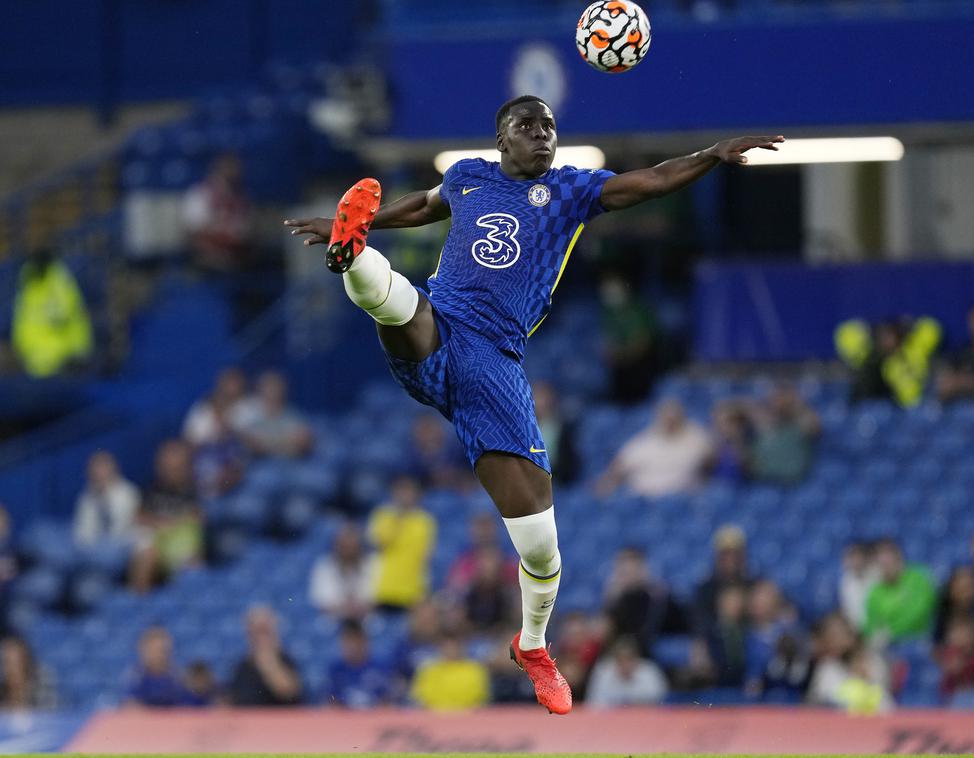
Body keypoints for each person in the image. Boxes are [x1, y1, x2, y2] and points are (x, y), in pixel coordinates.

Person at [285, 92, 782, 714]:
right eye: (528, 125)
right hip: (443, 323)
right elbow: (423, 205)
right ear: (502, 138)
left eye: (549, 125)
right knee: (397, 302)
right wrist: (366, 221)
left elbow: (649, 181)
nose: (543, 134)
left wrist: (710, 155)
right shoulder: (468, 176)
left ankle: (534, 645)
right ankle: (351, 249)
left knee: (541, 545)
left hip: (495, 363)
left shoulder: (571, 190)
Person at [596, 397, 712, 498]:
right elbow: (618, 468)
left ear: (682, 417)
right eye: (665, 416)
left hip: (683, 502)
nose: (669, 421)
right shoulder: (644, 441)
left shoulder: (697, 438)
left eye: (673, 417)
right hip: (642, 502)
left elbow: (709, 463)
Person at [129, 439, 203, 594]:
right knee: (145, 552)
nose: (169, 471)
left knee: (191, 561)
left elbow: (198, 519)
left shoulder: (194, 490)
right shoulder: (152, 489)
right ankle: (138, 605)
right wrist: (159, 524)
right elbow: (138, 516)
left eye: (175, 468)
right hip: (158, 540)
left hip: (183, 542)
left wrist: (172, 525)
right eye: (165, 467)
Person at [10, 246, 93, 378]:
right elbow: (22, 319)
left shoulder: (59, 281)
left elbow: (62, 315)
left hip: (64, 361)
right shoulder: (28, 283)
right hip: (34, 362)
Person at [834, 316, 942, 408]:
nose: (887, 341)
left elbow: (932, 328)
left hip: (916, 400)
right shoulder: (874, 361)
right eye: (883, 337)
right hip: (887, 403)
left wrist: (909, 327)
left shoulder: (913, 350)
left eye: (890, 336)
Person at [367, 476, 436, 612]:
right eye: (401, 492)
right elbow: (380, 543)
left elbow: (427, 555)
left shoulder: (425, 521)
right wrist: (398, 519)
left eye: (409, 492)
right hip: (384, 588)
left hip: (414, 590)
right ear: (394, 493)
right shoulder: (383, 516)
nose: (405, 496)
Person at [181, 153, 252, 273]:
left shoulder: (241, 198)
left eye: (235, 169)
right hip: (205, 253)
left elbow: (244, 232)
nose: (232, 173)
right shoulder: (200, 193)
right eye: (227, 169)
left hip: (236, 254)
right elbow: (193, 230)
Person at [599, 273, 661, 404]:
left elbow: (643, 344)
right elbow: (608, 345)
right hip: (619, 370)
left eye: (614, 287)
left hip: (643, 367)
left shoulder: (637, 310)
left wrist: (622, 354)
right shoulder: (609, 314)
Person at [228, 606, 304, 706]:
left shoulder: (286, 660)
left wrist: (269, 664)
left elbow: (289, 692)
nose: (261, 637)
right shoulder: (241, 667)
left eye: (265, 631)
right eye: (256, 631)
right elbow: (232, 700)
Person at [863, 539, 937, 642]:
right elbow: (871, 626)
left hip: (921, 641)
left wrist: (891, 631)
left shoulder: (918, 577)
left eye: (889, 560)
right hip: (889, 648)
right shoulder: (875, 593)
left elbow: (920, 612)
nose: (886, 566)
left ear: (899, 557)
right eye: (881, 563)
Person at [748, 383, 821, 486]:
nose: (778, 404)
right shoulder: (763, 426)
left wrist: (794, 403)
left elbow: (814, 425)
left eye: (783, 401)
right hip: (763, 482)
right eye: (774, 400)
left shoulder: (799, 427)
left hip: (795, 482)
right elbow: (726, 412)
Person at [693, 525, 757, 635]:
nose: (731, 559)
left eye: (735, 554)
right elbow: (699, 625)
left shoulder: (754, 586)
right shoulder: (705, 590)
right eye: (726, 554)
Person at [309, 523, 378, 620]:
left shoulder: (373, 563)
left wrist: (360, 607)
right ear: (337, 545)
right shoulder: (325, 566)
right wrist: (345, 608)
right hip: (334, 620)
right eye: (344, 545)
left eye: (352, 545)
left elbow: (377, 597)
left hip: (367, 619)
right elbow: (321, 601)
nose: (348, 549)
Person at [73, 450, 141, 548]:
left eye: (102, 468)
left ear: (113, 470)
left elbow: (121, 529)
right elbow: (82, 530)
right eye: (94, 469)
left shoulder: (128, 493)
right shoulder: (87, 495)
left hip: (123, 544)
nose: (98, 473)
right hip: (94, 548)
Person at [240, 372, 313, 458]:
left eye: (277, 387)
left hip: (293, 462)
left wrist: (268, 443)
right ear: (260, 389)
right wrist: (285, 442)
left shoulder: (293, 414)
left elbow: (304, 443)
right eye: (269, 387)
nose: (273, 391)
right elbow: (252, 444)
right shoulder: (246, 411)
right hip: (261, 463)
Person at [409, 633, 489, 711]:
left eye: (454, 647)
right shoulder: (428, 670)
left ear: (461, 648)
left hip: (468, 716)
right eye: (447, 647)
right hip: (434, 716)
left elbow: (481, 700)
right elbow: (419, 699)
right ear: (440, 648)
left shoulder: (475, 670)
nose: (450, 650)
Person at [586, 636, 669, 708]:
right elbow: (593, 705)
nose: (625, 664)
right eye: (621, 659)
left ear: (637, 658)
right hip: (611, 722)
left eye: (629, 659)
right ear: (615, 659)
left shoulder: (650, 672)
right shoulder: (603, 672)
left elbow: (661, 706)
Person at [446, 512, 517, 593]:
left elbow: (519, 588)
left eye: (487, 526)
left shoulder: (508, 563)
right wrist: (476, 577)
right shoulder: (464, 564)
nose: (484, 532)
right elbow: (454, 588)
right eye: (480, 527)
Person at [326, 620, 391, 708]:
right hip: (344, 719)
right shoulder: (335, 670)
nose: (353, 646)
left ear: (365, 642)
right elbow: (331, 702)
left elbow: (387, 701)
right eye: (348, 640)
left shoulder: (380, 668)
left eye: (356, 640)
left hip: (374, 717)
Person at [126, 626, 189, 707]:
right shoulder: (136, 677)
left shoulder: (178, 677)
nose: (160, 655)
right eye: (155, 650)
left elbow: (187, 706)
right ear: (144, 651)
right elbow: (131, 705)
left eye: (163, 650)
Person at [531, 381, 580, 484]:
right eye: (535, 396)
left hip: (556, 480)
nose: (538, 401)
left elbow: (568, 462)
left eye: (542, 397)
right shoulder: (524, 428)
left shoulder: (563, 427)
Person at [0, 635, 55, 709]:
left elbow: (49, 712)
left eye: (15, 662)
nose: (11, 669)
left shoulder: (41, 686)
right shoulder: (2, 690)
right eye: (6, 662)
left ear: (25, 662)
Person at [838, 541, 878, 631]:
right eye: (851, 558)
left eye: (857, 557)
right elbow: (848, 612)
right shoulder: (845, 582)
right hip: (859, 632)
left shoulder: (878, 575)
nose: (855, 561)